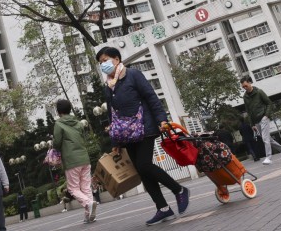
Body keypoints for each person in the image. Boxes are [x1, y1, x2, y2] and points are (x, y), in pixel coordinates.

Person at [97, 46, 190, 226]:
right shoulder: (108, 86)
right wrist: (115, 141)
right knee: (142, 171)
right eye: (101, 63)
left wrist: (161, 120)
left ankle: (179, 190)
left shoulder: (133, 75)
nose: (103, 65)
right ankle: (163, 208)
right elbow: (111, 114)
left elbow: (151, 97)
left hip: (144, 127)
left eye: (105, 60)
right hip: (126, 134)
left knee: (144, 165)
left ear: (116, 59)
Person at [53, 98, 98, 223]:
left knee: (73, 189)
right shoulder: (78, 123)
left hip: (71, 160)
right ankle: (89, 215)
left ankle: (88, 203)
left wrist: (53, 145)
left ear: (58, 111)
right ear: (69, 109)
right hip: (84, 158)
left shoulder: (58, 124)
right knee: (86, 188)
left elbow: (57, 143)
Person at [241, 75, 281, 165]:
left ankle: (268, 158)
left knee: (265, 139)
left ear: (249, 83)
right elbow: (248, 111)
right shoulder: (245, 97)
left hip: (263, 118)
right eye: (243, 87)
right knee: (268, 139)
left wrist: (266, 115)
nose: (245, 88)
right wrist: (252, 124)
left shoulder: (259, 92)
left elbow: (269, 103)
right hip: (256, 121)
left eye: (245, 86)